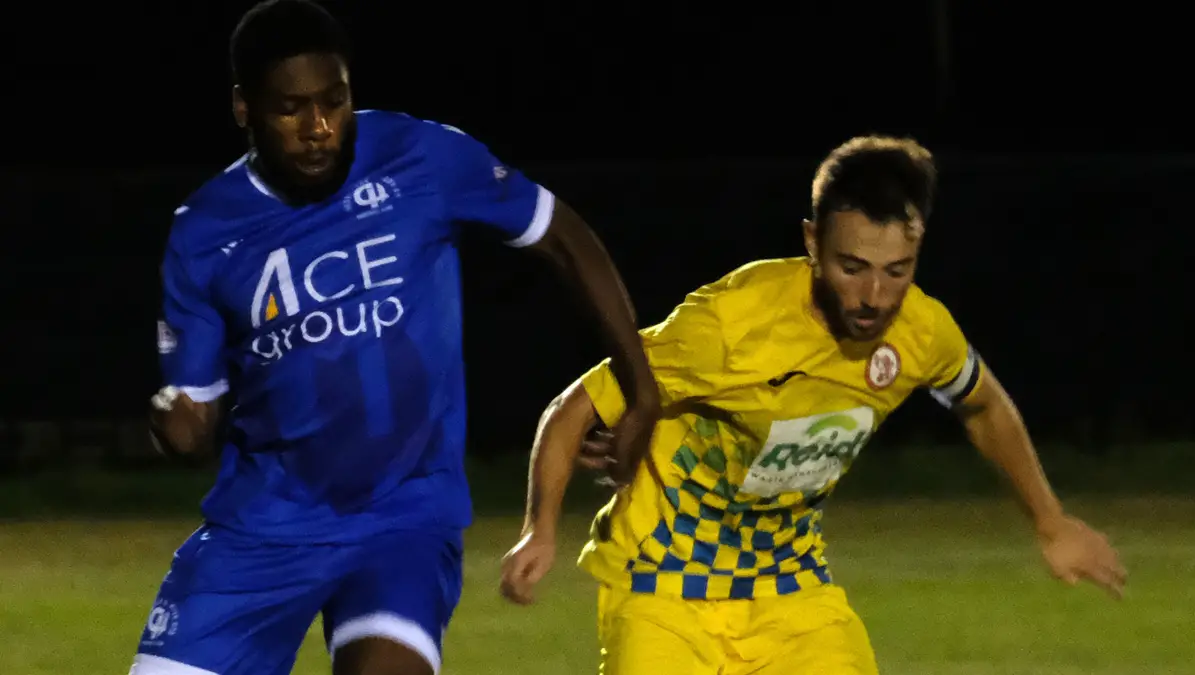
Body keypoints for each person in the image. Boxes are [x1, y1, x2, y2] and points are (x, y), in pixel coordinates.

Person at [132, 1, 660, 674]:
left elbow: (561, 236)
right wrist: (174, 426)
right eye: (291, 109)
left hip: (404, 518)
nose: (319, 128)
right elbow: (193, 417)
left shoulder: (420, 156)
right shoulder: (205, 231)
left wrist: (641, 386)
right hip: (264, 526)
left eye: (335, 101)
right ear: (244, 108)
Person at [499, 135, 1127, 674]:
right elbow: (575, 406)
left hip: (791, 589)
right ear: (812, 242)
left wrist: (1050, 521)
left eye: (898, 270)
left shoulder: (922, 331)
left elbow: (982, 403)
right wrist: (539, 530)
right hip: (662, 585)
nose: (875, 296)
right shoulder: (731, 325)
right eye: (852, 267)